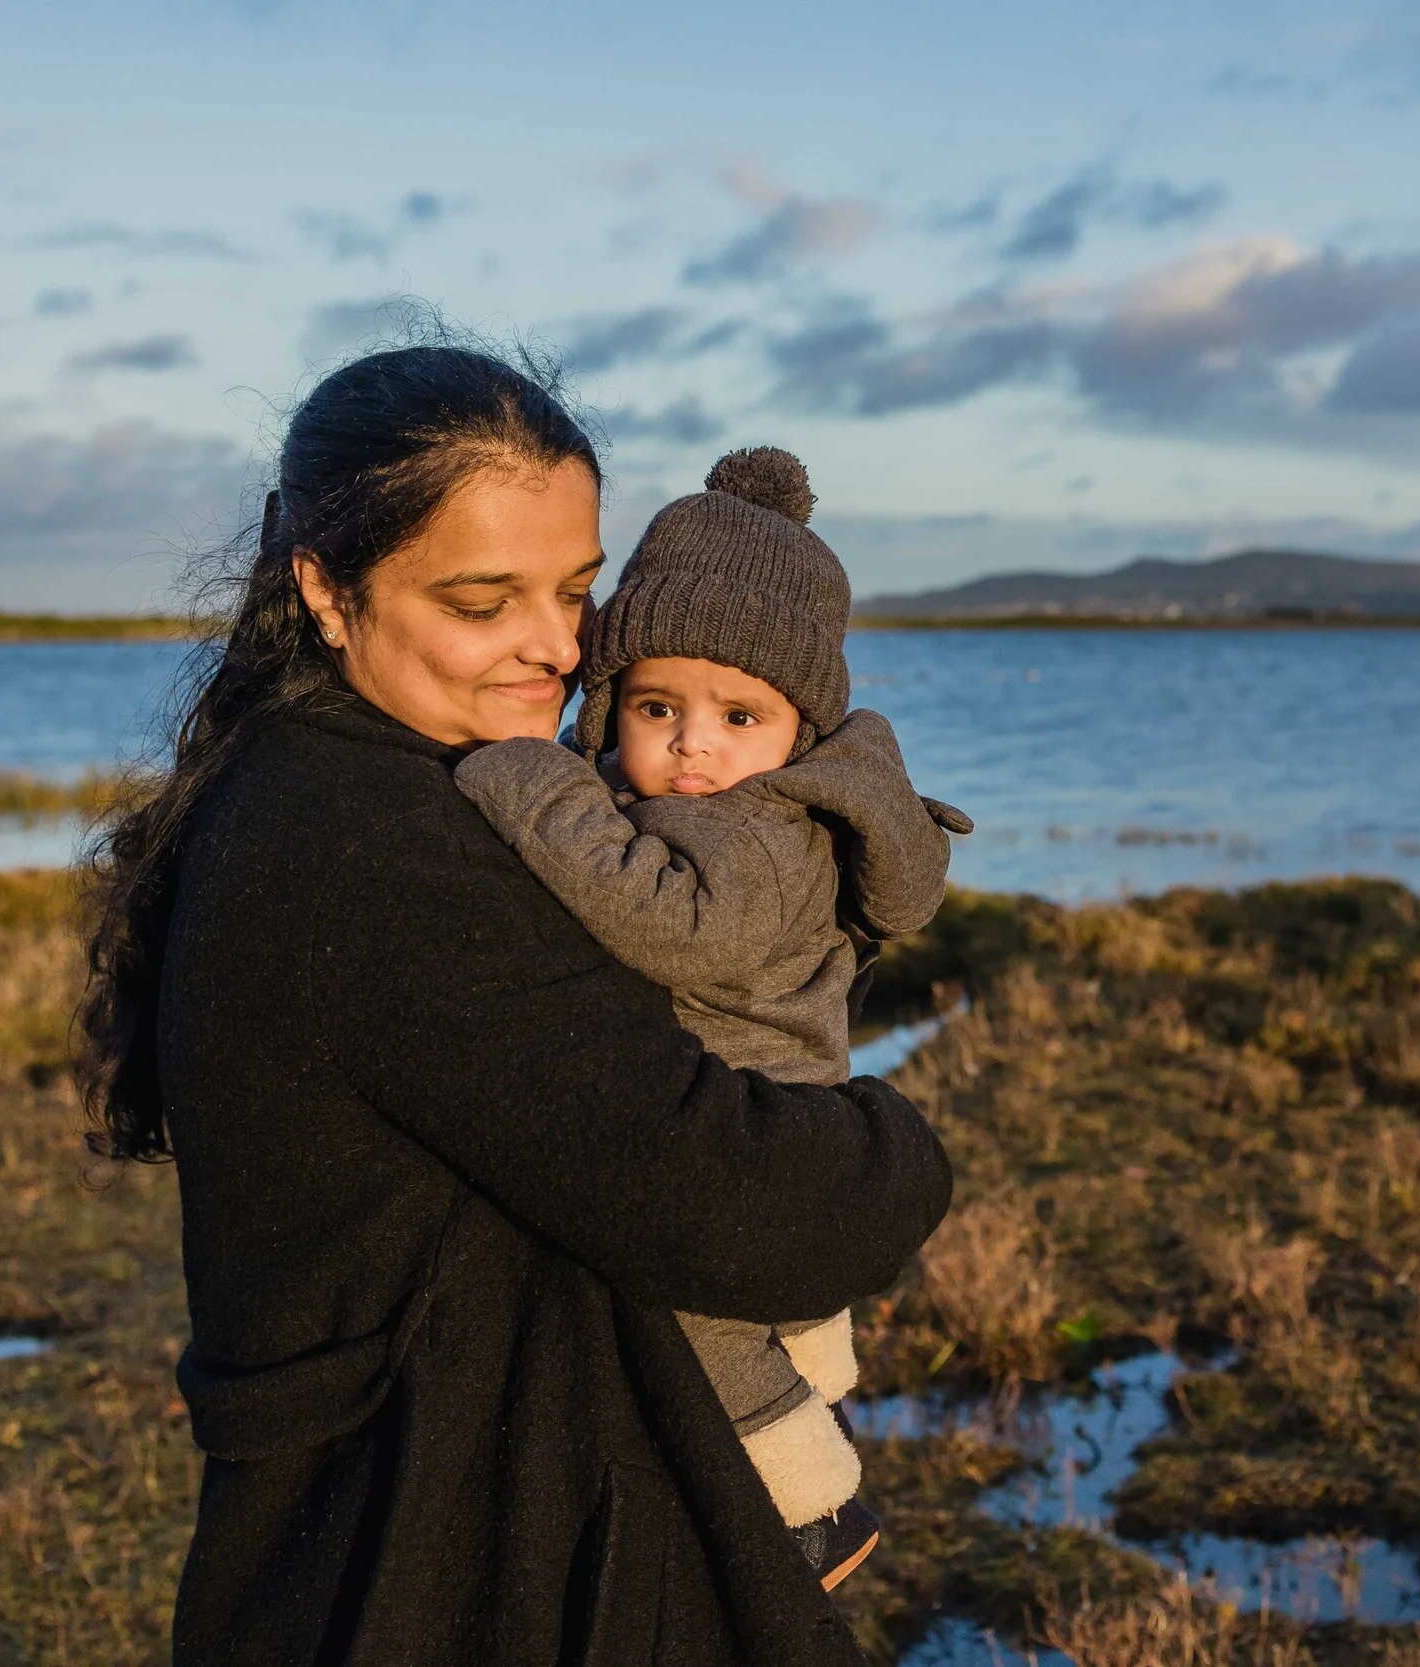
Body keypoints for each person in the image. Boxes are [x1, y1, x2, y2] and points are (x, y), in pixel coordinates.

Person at [76, 341, 952, 1667]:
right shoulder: (373, 841)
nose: (554, 649)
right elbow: (726, 1197)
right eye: (485, 601)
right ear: (327, 586)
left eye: (577, 591)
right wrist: (905, 1153)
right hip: (435, 1568)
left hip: (391, 1541)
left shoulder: (333, 778)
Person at [455, 446, 969, 1591]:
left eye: (738, 713)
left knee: (691, 1331)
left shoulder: (755, 829)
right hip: (776, 1107)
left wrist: (526, 779)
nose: (693, 744)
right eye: (654, 706)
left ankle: (813, 1511)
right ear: (612, 702)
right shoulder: (742, 799)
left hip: (743, 1121)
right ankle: (817, 1368)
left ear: (800, 730)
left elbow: (670, 924)